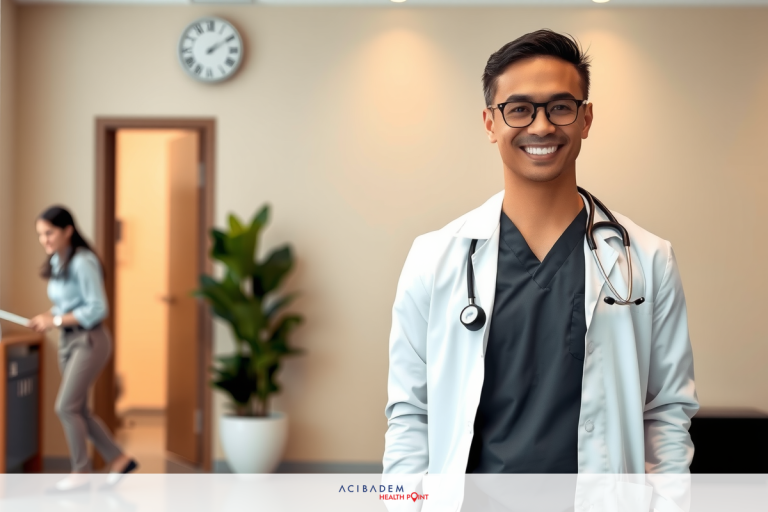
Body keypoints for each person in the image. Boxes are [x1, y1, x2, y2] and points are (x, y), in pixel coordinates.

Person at [382, 29, 698, 509]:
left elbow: (666, 413)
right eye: (519, 108)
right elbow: (411, 415)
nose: (542, 126)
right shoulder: (434, 258)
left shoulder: (647, 259)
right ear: (490, 122)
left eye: (561, 106)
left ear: (586, 118)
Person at [28, 206, 138, 490]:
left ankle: (81, 471)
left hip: (89, 340)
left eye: (49, 233)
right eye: (40, 234)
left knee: (65, 407)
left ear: (68, 230)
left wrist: (53, 319)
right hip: (67, 339)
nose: (44, 240)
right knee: (78, 409)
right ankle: (120, 459)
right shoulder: (57, 262)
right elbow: (67, 305)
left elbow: (98, 308)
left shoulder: (83, 262)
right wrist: (47, 319)